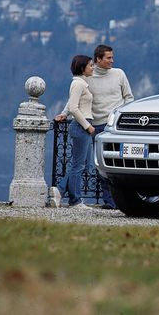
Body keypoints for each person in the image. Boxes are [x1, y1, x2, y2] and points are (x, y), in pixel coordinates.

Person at [55, 44, 134, 209]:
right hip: (90, 125)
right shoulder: (87, 77)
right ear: (98, 59)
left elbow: (128, 98)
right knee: (88, 165)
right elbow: (74, 100)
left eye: (112, 57)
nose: (112, 61)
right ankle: (64, 193)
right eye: (108, 58)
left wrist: (124, 120)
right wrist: (64, 113)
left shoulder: (119, 74)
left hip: (112, 126)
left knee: (109, 164)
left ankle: (110, 201)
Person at [50, 55, 95, 209]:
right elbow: (75, 108)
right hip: (82, 126)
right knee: (78, 166)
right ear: (82, 68)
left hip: (83, 126)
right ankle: (75, 200)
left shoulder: (81, 83)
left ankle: (60, 190)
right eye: (90, 65)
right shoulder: (78, 84)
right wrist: (87, 126)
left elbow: (71, 103)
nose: (93, 67)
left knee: (83, 164)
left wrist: (64, 113)